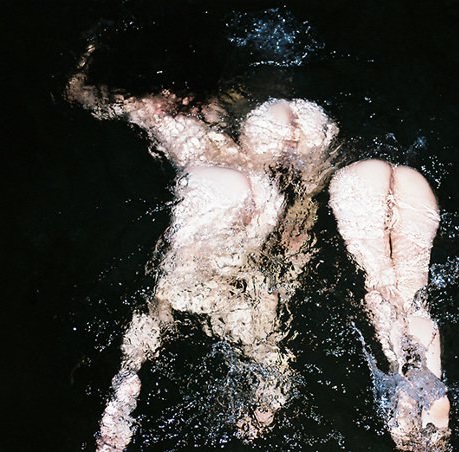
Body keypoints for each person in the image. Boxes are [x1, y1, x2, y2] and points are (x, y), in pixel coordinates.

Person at [66, 42, 338, 450]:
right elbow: (296, 236)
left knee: (162, 303)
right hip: (262, 201)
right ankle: (258, 398)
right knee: (252, 322)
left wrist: (83, 67)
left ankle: (125, 384)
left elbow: (101, 99)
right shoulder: (234, 128)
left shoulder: (191, 123)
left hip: (218, 183)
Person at [329, 159, 450, 450]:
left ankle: (412, 401)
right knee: (402, 289)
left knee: (387, 284)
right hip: (385, 184)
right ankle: (415, 403)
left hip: (367, 180)